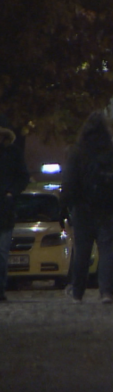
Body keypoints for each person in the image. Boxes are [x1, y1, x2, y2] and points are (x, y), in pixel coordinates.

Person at [60, 112, 113, 304]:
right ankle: (105, 292)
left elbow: (69, 181)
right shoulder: (112, 149)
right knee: (106, 249)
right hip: (108, 207)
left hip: (83, 207)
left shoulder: (78, 150)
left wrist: (65, 205)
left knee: (82, 251)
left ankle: (78, 292)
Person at [0, 114, 29, 302]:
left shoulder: (14, 154)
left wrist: (11, 193)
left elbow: (23, 177)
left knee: (2, 253)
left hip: (5, 210)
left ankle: (0, 288)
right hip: (6, 208)